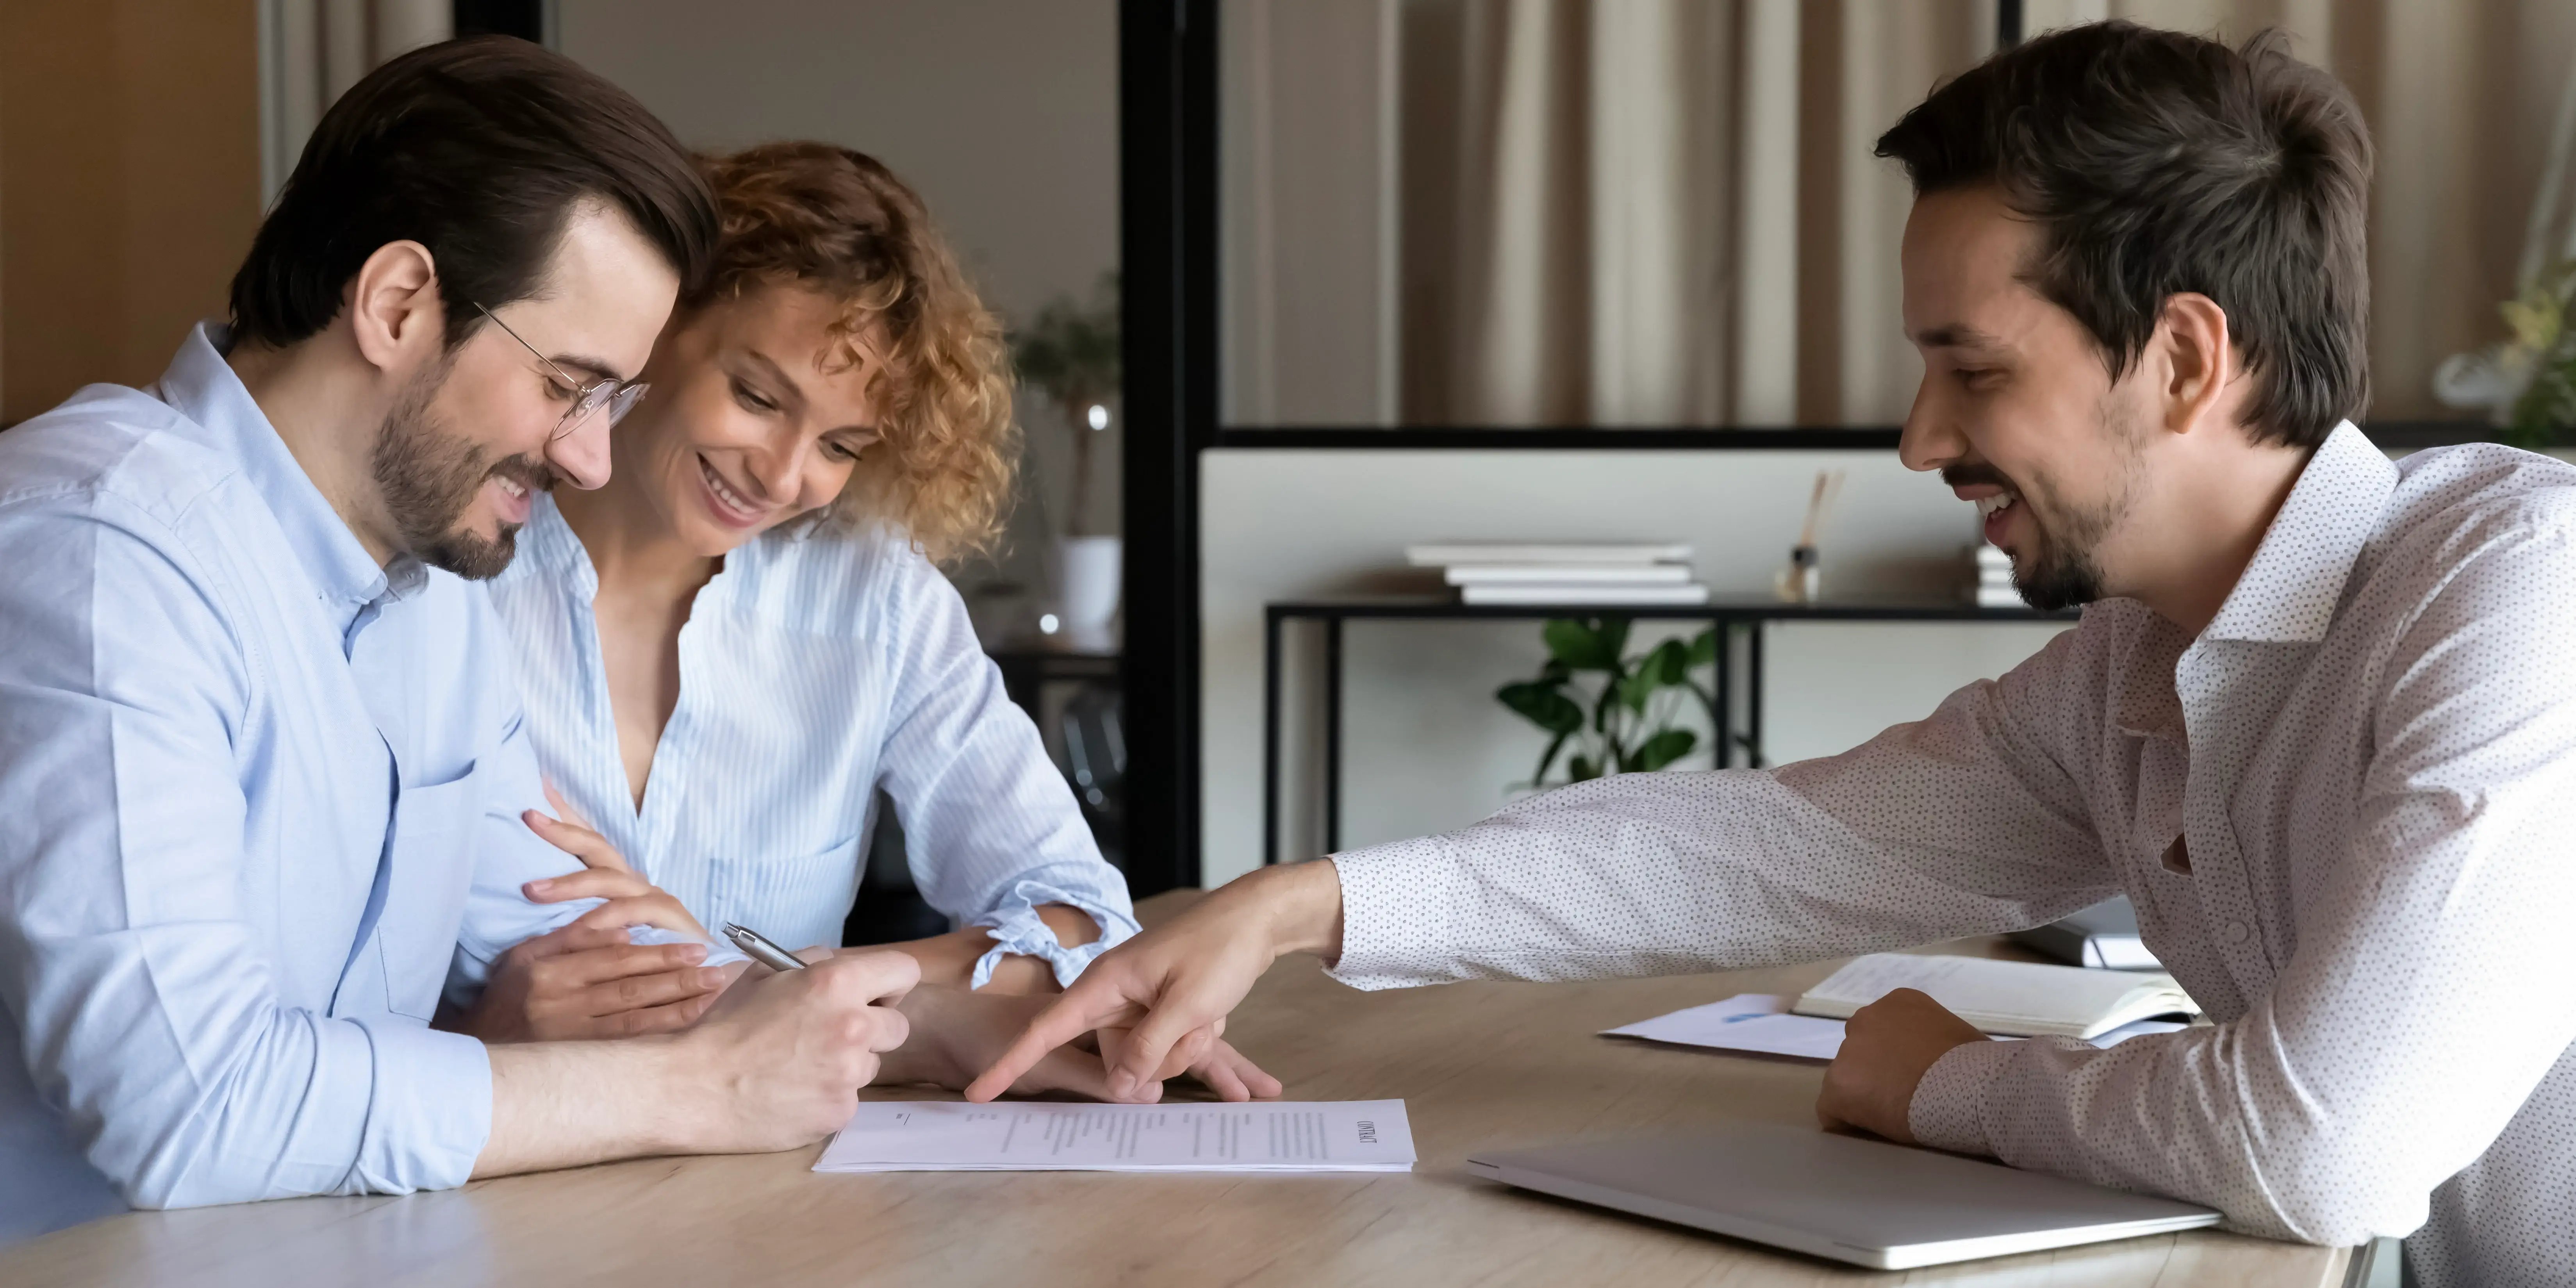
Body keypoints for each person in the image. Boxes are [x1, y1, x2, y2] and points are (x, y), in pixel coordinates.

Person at [973, 23, 2576, 1287]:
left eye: (1969, 365)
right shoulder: (2124, 670)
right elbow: (1773, 843)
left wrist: (1946, 1081)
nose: (1918, 435)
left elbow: (2331, 1146)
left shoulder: (2515, 589)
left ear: (2180, 356)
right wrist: (1298, 901)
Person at [0, 38, 938, 1243]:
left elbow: (597, 951)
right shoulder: (95, 554)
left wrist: (956, 1025)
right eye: (569, 384)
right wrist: (702, 1086)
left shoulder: (434, 600)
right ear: (397, 303)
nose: (592, 457)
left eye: (614, 402)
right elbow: (191, 1102)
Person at [454, 140, 1275, 1099]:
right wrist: (917, 1009)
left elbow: (1085, 921)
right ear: (655, 320)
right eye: (757, 396)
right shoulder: (455, 571)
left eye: (841, 443)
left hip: (779, 1192)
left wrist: (795, 984)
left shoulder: (874, 598)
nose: (784, 473)